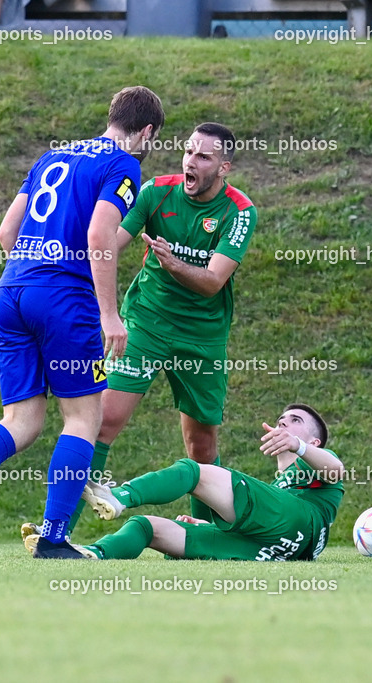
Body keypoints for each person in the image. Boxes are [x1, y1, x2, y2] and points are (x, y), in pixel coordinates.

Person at [0, 86, 165, 559]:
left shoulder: (54, 156)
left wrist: (33, 276)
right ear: (146, 131)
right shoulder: (123, 164)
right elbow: (99, 234)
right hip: (64, 301)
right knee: (84, 418)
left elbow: (7, 231)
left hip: (12, 290)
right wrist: (108, 313)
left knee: (22, 420)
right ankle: (52, 538)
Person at [67, 122, 257, 533]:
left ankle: (206, 534)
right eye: (189, 151)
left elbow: (212, 282)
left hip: (203, 337)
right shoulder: (155, 191)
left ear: (225, 167)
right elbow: (108, 244)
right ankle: (60, 527)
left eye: (204, 156)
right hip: (146, 322)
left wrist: (171, 262)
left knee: (201, 446)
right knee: (105, 418)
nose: (191, 161)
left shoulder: (240, 211)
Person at [25, 404, 343, 561]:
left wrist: (299, 448)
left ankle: (119, 495)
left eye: (295, 422)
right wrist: (211, 527)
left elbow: (336, 470)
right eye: (281, 421)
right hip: (273, 549)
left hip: (302, 524)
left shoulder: (312, 466)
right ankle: (91, 554)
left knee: (193, 471)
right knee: (147, 528)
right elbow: (273, 519)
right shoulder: (278, 490)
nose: (283, 423)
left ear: (314, 442)